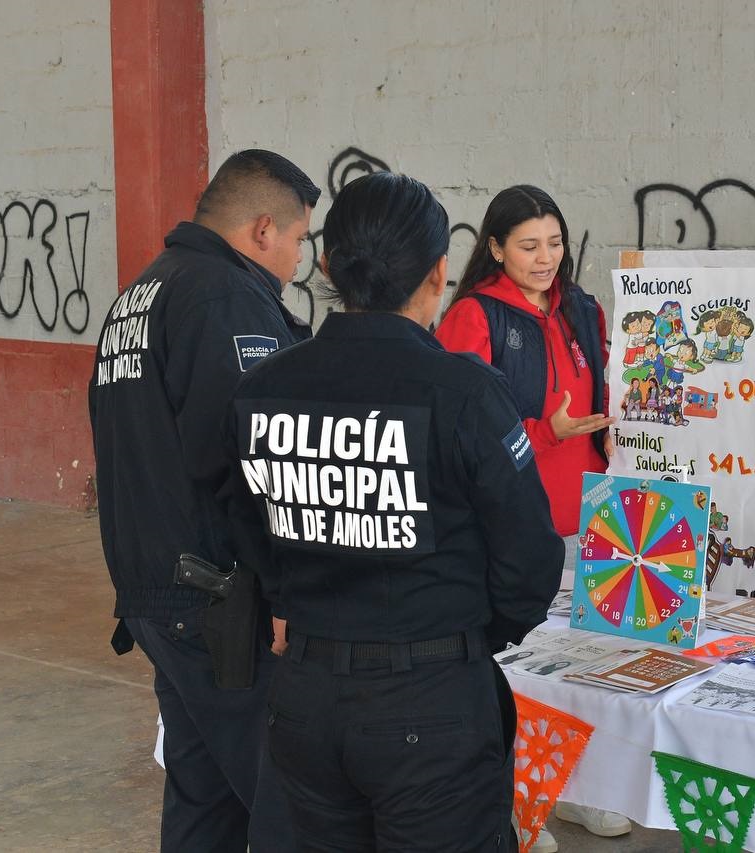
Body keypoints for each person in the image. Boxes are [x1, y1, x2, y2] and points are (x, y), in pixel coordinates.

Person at [221, 172, 564, 852]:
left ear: (325, 265)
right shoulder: (466, 393)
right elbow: (530, 563)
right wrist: (458, 638)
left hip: (306, 699)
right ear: (439, 274)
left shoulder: (262, 389)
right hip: (431, 698)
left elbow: (250, 533)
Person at [88, 149, 319, 852]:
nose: (298, 258)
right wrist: (283, 589)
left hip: (158, 593)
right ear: (260, 231)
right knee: (289, 804)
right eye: (299, 239)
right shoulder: (224, 299)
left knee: (205, 799)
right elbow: (248, 460)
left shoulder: (141, 295)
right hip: (219, 603)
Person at [436, 186, 628, 851]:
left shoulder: (583, 306)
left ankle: (577, 790)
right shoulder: (473, 316)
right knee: (523, 666)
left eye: (554, 242)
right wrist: (547, 431)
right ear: (493, 247)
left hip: (597, 517)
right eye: (528, 246)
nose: (545, 258)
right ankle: (518, 801)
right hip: (518, 523)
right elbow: (462, 429)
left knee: (589, 665)